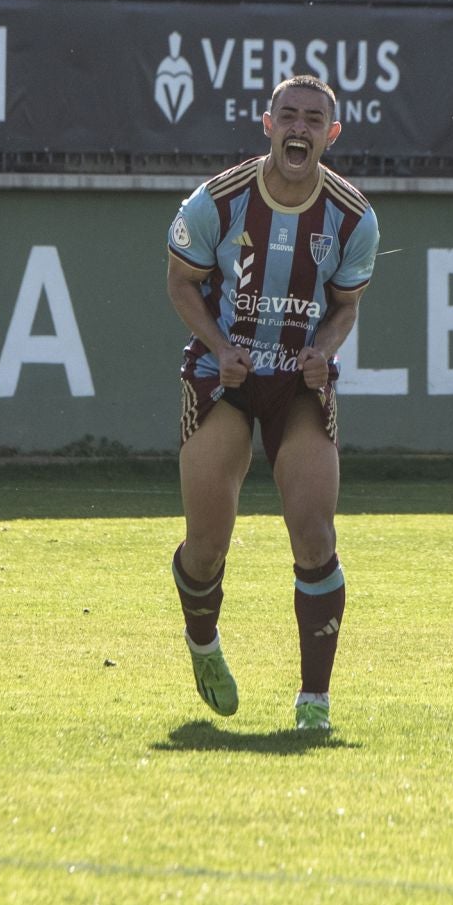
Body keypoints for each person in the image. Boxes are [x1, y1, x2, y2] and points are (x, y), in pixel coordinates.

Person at [165, 75, 380, 735]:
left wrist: (324, 349)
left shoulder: (353, 216)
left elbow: (346, 306)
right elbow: (181, 282)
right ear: (266, 123)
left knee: (315, 534)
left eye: (314, 119)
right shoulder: (217, 201)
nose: (299, 127)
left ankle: (314, 702)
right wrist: (218, 343)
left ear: (331, 134)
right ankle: (204, 643)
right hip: (223, 377)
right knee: (207, 543)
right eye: (288, 114)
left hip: (299, 384)